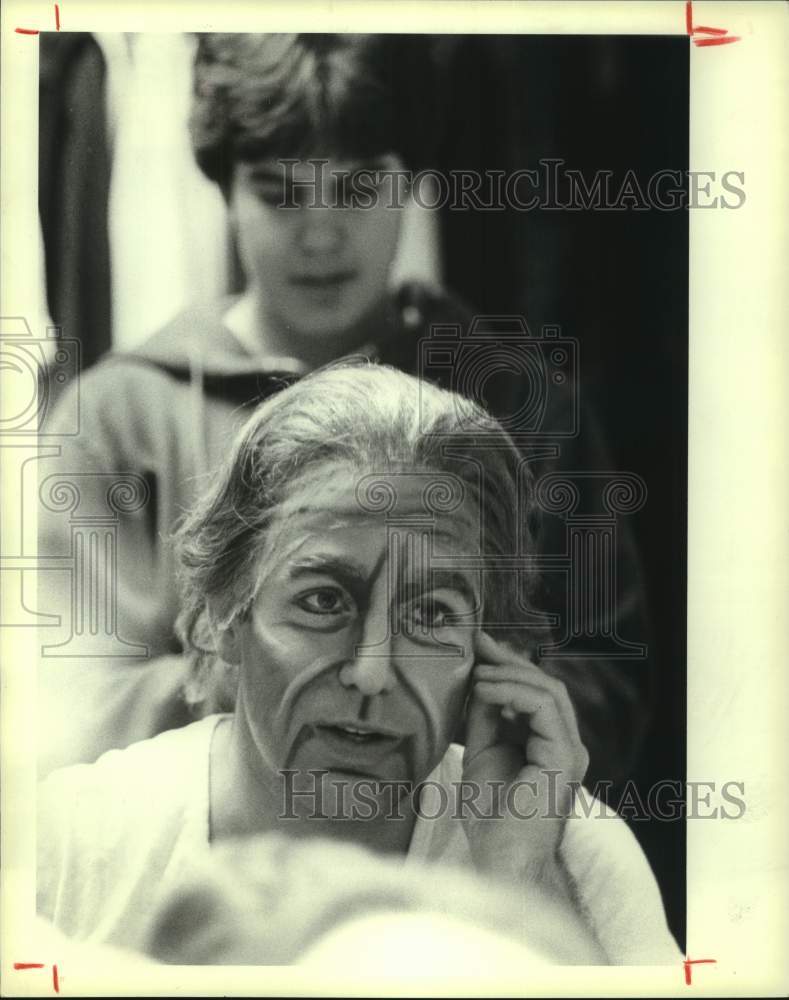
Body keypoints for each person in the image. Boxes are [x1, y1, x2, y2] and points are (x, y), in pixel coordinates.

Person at [37, 33, 651, 789]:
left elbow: (603, 684)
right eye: (278, 191)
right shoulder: (117, 415)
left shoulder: (518, 400)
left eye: (359, 189)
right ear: (224, 190)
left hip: (457, 857)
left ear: (412, 185)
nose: (320, 232)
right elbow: (66, 707)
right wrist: (279, 671)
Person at [38, 365, 678, 965]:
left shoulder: (572, 851)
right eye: (322, 602)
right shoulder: (67, 847)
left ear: (485, 651)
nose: (373, 672)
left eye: (431, 616)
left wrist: (522, 880)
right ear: (222, 621)